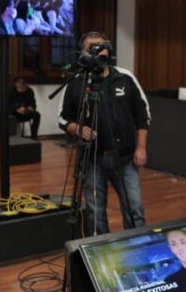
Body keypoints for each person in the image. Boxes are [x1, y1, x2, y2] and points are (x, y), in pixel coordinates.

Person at [59, 31, 151, 236]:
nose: (98, 51)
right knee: (95, 212)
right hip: (92, 160)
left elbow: (142, 113)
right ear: (82, 53)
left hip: (125, 159)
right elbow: (63, 119)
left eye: (101, 46)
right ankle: (103, 254)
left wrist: (141, 147)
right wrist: (78, 128)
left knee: (134, 209)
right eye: (91, 47)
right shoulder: (76, 82)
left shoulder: (125, 77)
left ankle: (137, 246)